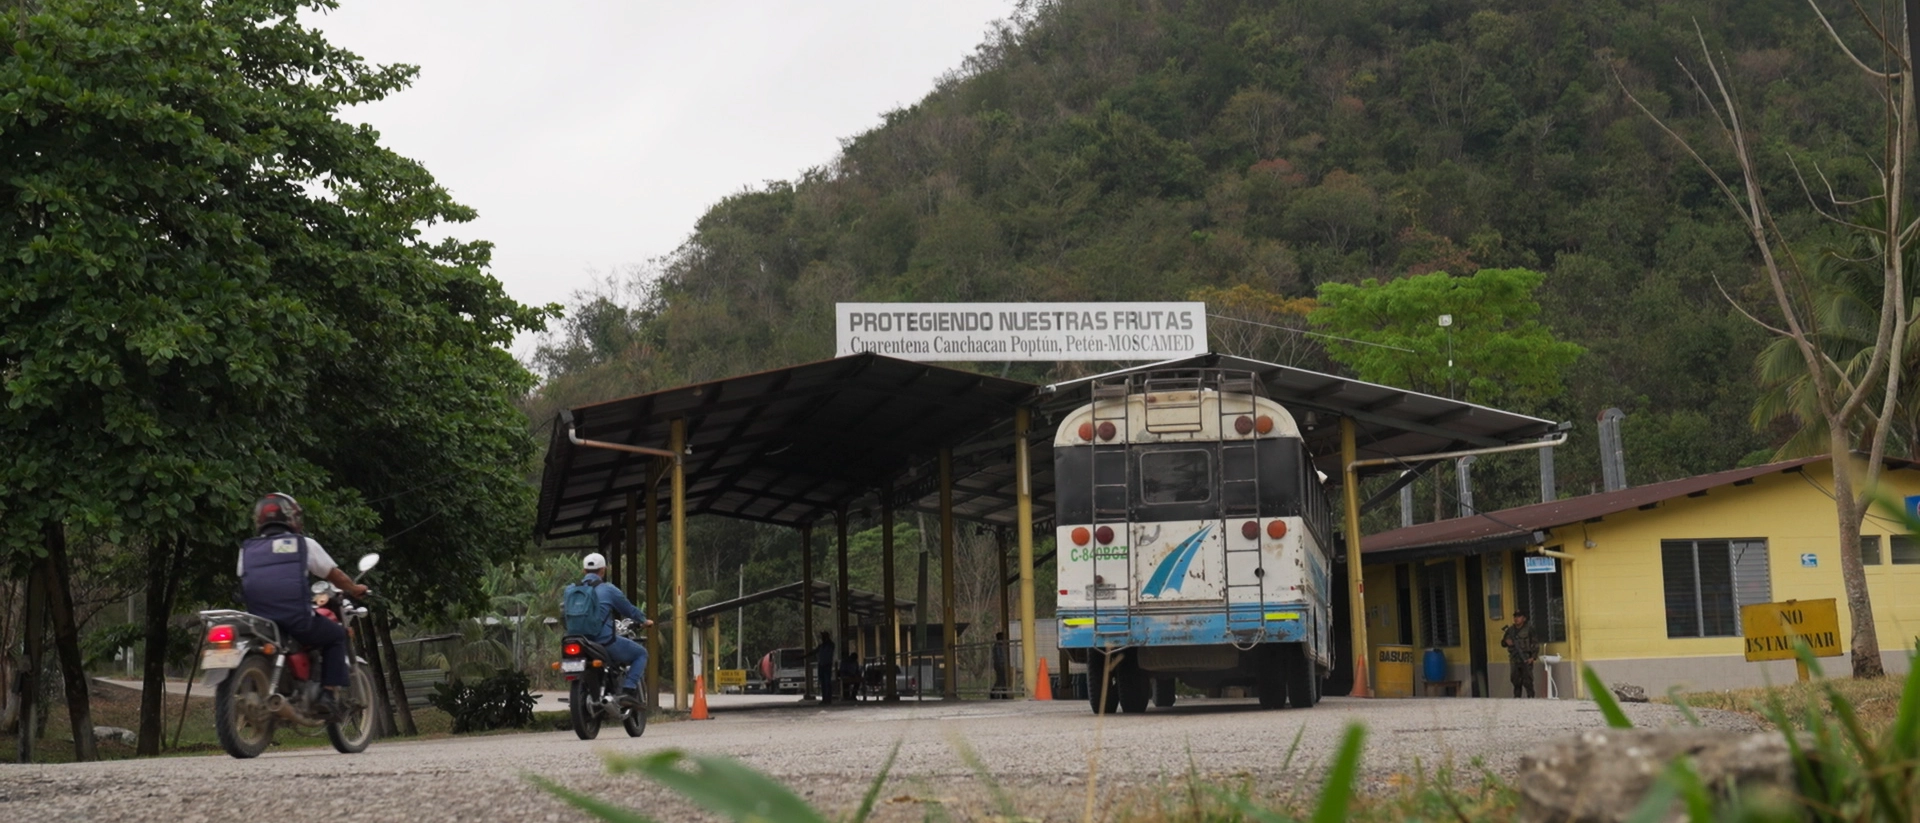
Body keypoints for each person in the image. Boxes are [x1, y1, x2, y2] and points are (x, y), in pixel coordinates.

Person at [236, 493, 367, 718]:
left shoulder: (247, 549)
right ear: (290, 517)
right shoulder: (304, 544)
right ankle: (327, 694)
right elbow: (334, 575)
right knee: (337, 635)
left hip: (260, 623)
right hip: (296, 619)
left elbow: (245, 579)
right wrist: (354, 589)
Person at [574, 552, 653, 708]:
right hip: (603, 641)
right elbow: (628, 609)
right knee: (641, 654)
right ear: (603, 570)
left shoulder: (571, 591)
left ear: (584, 571)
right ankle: (628, 691)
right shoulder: (608, 590)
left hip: (579, 640)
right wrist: (644, 621)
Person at [1500, 609, 1541, 698]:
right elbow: (1503, 643)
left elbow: (1535, 643)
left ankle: (1531, 698)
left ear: (1524, 618)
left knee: (1528, 681)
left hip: (1526, 657)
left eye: (1519, 616)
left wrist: (1533, 657)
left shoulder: (1529, 629)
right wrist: (1506, 642)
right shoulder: (1510, 630)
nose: (1516, 618)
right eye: (1515, 616)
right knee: (1515, 680)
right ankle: (1517, 698)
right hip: (1514, 658)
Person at [811, 631, 836, 703]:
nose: (822, 638)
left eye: (823, 637)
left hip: (827, 665)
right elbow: (814, 652)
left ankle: (828, 698)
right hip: (821, 665)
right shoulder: (821, 646)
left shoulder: (830, 645)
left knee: (827, 682)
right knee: (823, 683)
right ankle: (824, 698)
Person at [991, 631, 1010, 700]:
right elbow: (999, 656)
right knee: (1001, 679)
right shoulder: (998, 646)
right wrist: (1002, 663)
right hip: (999, 664)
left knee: (1000, 679)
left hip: (999, 664)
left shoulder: (999, 645)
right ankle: (1002, 693)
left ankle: (1000, 693)